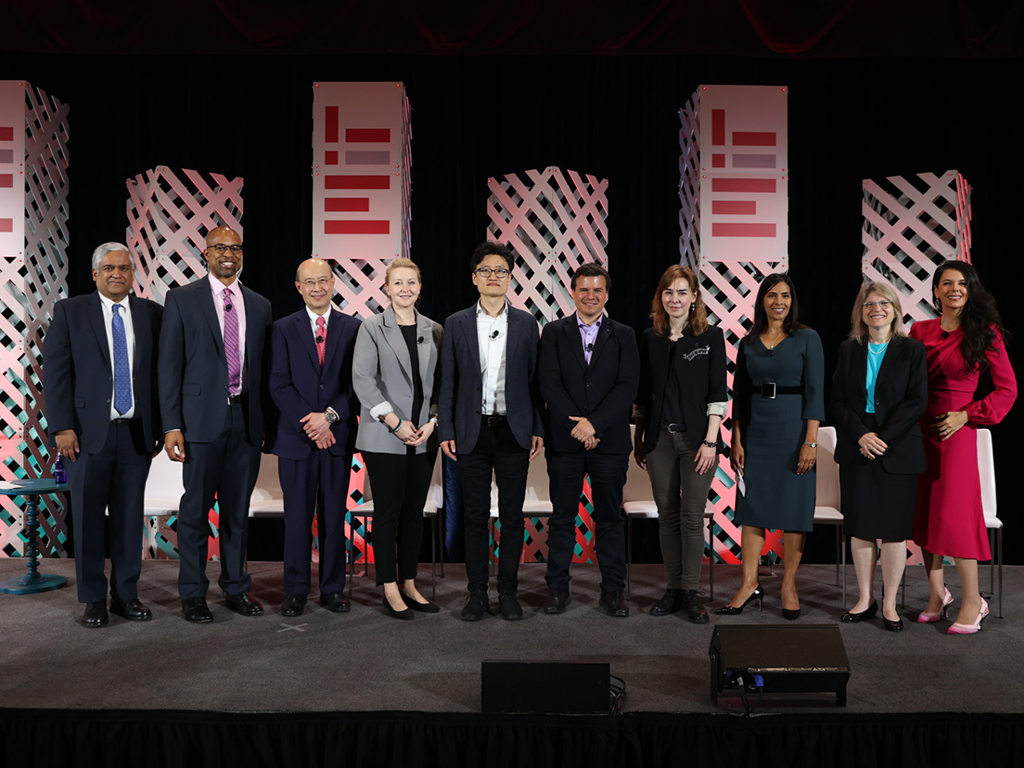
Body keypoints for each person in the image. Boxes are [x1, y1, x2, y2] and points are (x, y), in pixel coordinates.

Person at [43, 242, 163, 628]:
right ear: (95, 274)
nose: (117, 274)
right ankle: (93, 598)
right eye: (109, 268)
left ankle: (125, 595)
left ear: (133, 274)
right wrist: (62, 426)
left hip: (135, 435)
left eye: (124, 268)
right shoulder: (70, 311)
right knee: (89, 519)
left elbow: (163, 374)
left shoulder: (152, 314)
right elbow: (57, 374)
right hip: (84, 436)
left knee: (129, 520)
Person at [159, 225, 273, 623]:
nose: (228, 254)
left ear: (242, 255)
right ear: (205, 253)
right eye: (219, 247)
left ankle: (236, 588)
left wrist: (266, 425)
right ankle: (192, 593)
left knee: (237, 513)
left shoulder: (259, 304)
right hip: (199, 423)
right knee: (194, 512)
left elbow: (265, 370)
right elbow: (169, 365)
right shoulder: (182, 299)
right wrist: (171, 424)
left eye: (235, 248)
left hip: (246, 420)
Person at [438, 241, 544, 621]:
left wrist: (537, 427)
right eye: (486, 270)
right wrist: (446, 428)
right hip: (471, 432)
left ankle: (509, 593)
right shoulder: (457, 323)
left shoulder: (527, 323)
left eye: (500, 271)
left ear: (510, 278)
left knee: (512, 517)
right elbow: (446, 382)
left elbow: (535, 383)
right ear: (474, 278)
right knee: (474, 517)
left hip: (514, 432)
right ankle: (477, 594)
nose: (493, 277)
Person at [910, 260, 1016, 634]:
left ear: (970, 290)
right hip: (920, 433)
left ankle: (973, 599)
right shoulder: (918, 330)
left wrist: (968, 415)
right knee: (923, 515)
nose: (954, 289)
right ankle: (938, 593)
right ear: (935, 291)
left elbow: (1007, 390)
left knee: (954, 517)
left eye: (961, 284)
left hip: (957, 434)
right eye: (946, 283)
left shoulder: (984, 332)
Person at [717, 272, 824, 620]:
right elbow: (741, 394)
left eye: (785, 296)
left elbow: (815, 393)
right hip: (757, 431)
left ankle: (788, 585)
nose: (779, 302)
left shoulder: (808, 338)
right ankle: (748, 584)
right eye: (772, 295)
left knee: (794, 511)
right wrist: (737, 437)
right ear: (762, 300)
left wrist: (811, 441)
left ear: (792, 301)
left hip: (794, 431)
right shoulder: (748, 343)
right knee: (751, 509)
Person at [538, 263, 639, 617]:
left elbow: (628, 386)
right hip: (566, 444)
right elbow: (549, 383)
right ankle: (557, 589)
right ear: (573, 292)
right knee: (562, 517)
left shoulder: (624, 334)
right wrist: (578, 428)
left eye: (597, 290)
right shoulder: (553, 332)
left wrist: (594, 425)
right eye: (584, 290)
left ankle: (613, 591)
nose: (590, 296)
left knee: (610, 518)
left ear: (606, 294)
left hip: (609, 443)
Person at [831, 281, 927, 631]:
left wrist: (881, 438)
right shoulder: (848, 349)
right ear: (861, 311)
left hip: (896, 446)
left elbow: (917, 401)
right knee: (861, 527)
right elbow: (838, 401)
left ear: (895, 308)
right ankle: (864, 598)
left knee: (894, 531)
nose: (877, 309)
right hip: (858, 444)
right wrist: (862, 434)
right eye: (869, 304)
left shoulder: (912, 350)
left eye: (884, 303)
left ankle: (889, 604)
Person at [634, 265, 726, 623]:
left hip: (698, 441)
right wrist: (639, 435)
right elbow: (643, 395)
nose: (675, 298)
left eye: (682, 292)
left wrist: (710, 441)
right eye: (668, 292)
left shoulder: (710, 337)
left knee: (691, 518)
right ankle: (673, 588)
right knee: (667, 517)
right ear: (661, 298)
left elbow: (718, 394)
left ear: (694, 298)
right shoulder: (649, 337)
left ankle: (691, 591)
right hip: (659, 440)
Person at [269, 259, 361, 617]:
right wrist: (311, 423)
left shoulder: (354, 327)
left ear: (334, 283)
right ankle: (295, 590)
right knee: (297, 518)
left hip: (336, 437)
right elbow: (278, 382)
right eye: (310, 282)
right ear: (298, 287)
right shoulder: (281, 328)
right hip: (296, 438)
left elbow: (359, 383)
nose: (317, 287)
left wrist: (331, 418)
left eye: (323, 280)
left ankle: (333, 588)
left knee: (334, 516)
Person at [353, 258, 442, 620]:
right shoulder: (372, 327)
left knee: (414, 514)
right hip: (384, 436)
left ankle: (409, 582)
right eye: (398, 283)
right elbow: (363, 381)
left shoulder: (435, 329)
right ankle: (388, 587)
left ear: (420, 287)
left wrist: (434, 421)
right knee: (388, 513)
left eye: (411, 282)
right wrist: (395, 422)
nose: (405, 289)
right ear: (387, 289)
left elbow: (442, 385)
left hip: (423, 435)